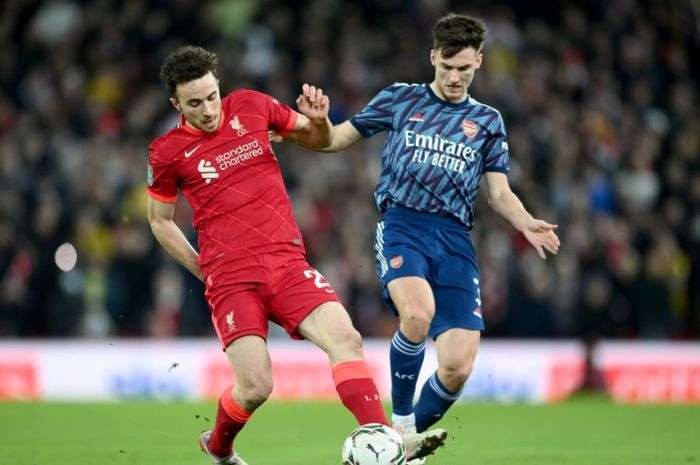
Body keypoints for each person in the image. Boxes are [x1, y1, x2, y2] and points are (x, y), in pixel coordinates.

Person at [147, 45, 445, 465]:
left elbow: (321, 141)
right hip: (231, 278)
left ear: (220, 86)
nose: (208, 109)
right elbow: (160, 221)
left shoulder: (251, 106)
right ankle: (218, 447)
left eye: (212, 95)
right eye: (194, 103)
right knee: (255, 388)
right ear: (176, 103)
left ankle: (388, 441)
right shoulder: (167, 151)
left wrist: (321, 121)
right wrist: (202, 269)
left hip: (286, 264)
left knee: (346, 338)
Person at [294, 13, 561, 438]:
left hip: (455, 239)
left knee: (457, 368)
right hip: (404, 224)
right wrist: (320, 122)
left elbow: (498, 193)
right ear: (433, 57)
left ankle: (404, 442)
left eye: (464, 68)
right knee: (417, 316)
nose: (455, 77)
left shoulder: (488, 122)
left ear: (480, 63)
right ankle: (398, 428)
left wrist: (525, 222)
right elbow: (335, 140)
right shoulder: (401, 99)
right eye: (447, 67)